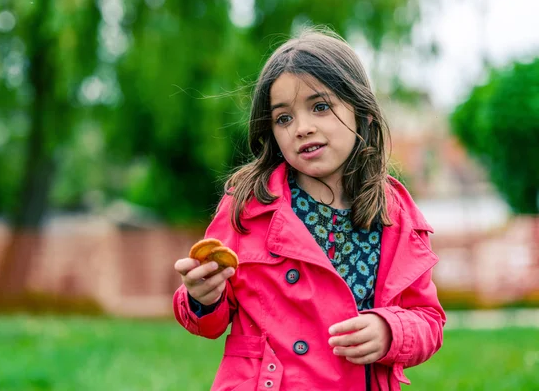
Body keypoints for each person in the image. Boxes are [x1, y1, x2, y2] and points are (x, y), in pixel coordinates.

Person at [173, 27, 445, 391]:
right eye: (283, 118)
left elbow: (428, 318)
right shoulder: (248, 204)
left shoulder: (394, 214)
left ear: (361, 110)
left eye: (320, 107)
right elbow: (208, 321)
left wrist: (389, 330)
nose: (301, 128)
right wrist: (201, 298)